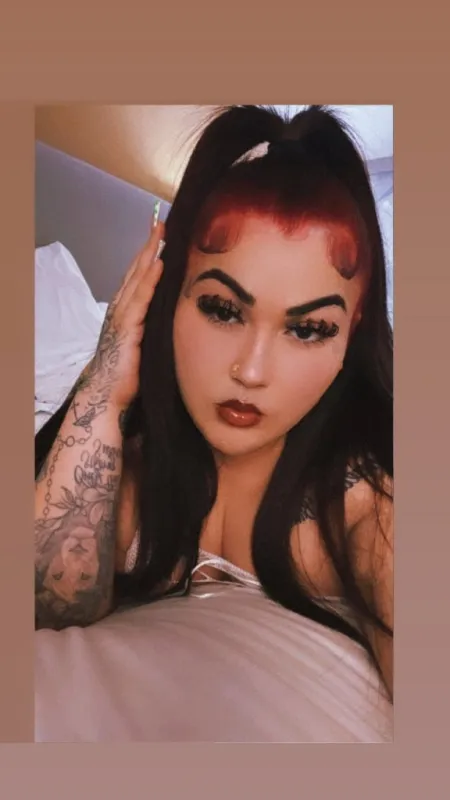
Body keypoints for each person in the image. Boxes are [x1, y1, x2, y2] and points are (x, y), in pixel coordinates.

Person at [35, 104, 393, 701]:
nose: (250, 371)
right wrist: (104, 379)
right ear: (168, 294)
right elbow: (41, 612)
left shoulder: (367, 503)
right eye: (222, 310)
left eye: (308, 329)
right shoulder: (123, 467)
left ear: (351, 336)